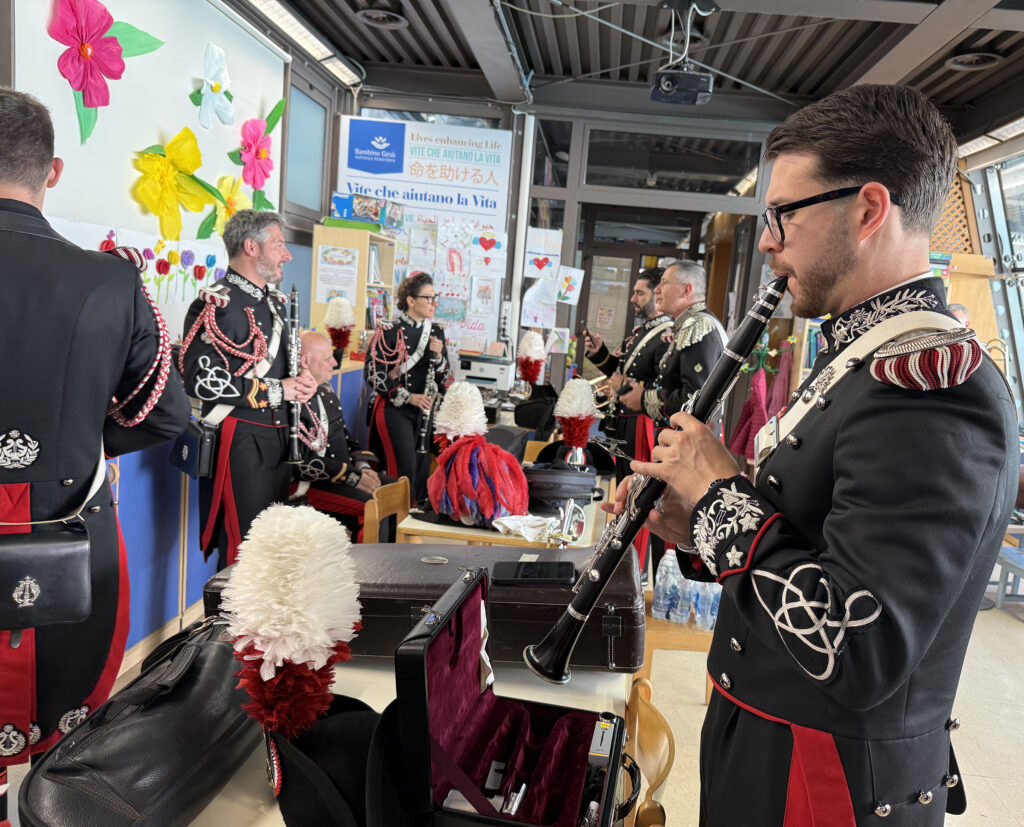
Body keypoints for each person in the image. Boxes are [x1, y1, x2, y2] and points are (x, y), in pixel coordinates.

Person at [609, 84, 1017, 824]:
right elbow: (808, 535)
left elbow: (857, 643)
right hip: (772, 747)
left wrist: (721, 499)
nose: (766, 239)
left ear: (867, 210)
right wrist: (692, 522)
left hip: (825, 783)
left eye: (782, 215)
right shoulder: (861, 357)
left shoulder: (930, 385)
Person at [0, 88, 189, 793]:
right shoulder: (112, 281)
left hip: (63, 540)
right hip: (74, 535)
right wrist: (81, 436)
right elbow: (167, 416)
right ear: (52, 172)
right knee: (59, 742)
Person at [180, 209, 317, 570]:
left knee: (272, 549)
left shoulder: (274, 302)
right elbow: (201, 380)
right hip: (241, 440)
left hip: (279, 440)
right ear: (251, 248)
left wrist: (302, 382)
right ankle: (231, 626)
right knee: (245, 549)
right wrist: (280, 391)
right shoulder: (216, 304)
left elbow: (282, 370)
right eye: (279, 245)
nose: (287, 254)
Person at [295, 330, 394, 542]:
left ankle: (390, 560)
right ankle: (366, 573)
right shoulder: (293, 399)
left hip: (342, 473)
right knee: (371, 508)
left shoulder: (325, 392)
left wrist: (363, 468)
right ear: (305, 361)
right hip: (312, 482)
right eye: (326, 358)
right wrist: (353, 477)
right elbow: (303, 463)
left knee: (394, 491)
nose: (334, 362)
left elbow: (345, 437)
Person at [364, 271, 451, 505]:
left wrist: (439, 355)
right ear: (411, 301)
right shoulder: (389, 330)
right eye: (428, 298)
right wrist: (408, 397)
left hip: (424, 411)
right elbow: (373, 374)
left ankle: (413, 520)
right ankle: (392, 528)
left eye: (436, 298)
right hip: (395, 410)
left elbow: (445, 375)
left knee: (422, 469)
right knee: (403, 471)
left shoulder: (436, 331)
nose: (434, 304)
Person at [618, 260, 726, 431]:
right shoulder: (689, 323)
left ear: (686, 290)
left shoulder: (697, 326)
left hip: (688, 441)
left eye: (665, 282)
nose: (657, 290)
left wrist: (643, 399)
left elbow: (694, 399)